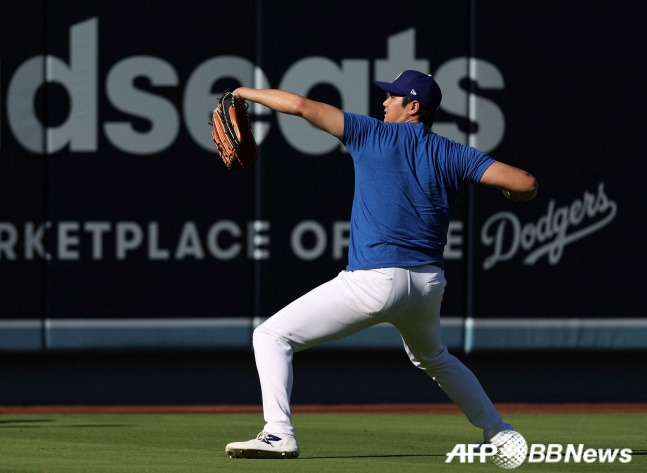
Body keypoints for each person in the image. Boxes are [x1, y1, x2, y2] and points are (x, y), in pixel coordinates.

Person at [225, 70, 538, 459]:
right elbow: (525, 182)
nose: (384, 101)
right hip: (426, 285)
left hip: (375, 281)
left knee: (271, 336)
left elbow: (302, 106)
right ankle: (500, 433)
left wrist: (242, 92)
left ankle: (278, 433)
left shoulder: (370, 133)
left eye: (393, 97)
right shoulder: (453, 152)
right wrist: (510, 190)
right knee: (434, 357)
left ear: (413, 107)